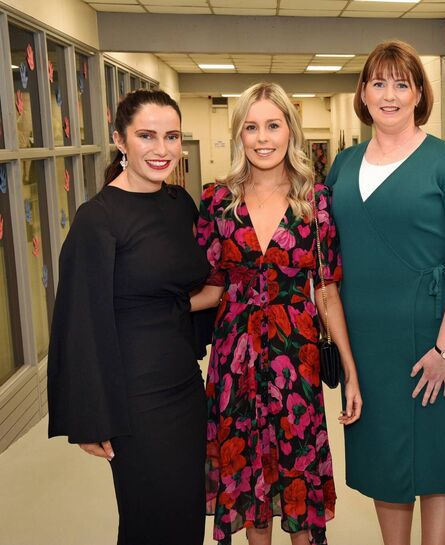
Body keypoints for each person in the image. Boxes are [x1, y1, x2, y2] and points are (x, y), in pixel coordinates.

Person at [325, 40, 445, 545]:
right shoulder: (343, 165)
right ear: (363, 93)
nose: (390, 94)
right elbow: (328, 258)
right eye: (379, 82)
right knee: (384, 459)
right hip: (370, 343)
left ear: (420, 93)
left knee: (439, 457)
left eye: (402, 83)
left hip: (437, 336)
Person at [191, 82, 362, 545]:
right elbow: (211, 287)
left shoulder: (316, 201)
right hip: (234, 361)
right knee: (250, 486)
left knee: (297, 480)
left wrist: (350, 369)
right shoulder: (217, 202)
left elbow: (326, 291)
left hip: (295, 362)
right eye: (251, 127)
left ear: (291, 130)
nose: (263, 138)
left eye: (273, 125)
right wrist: (149, 304)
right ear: (239, 135)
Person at [47, 90, 209, 544]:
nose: (162, 149)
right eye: (147, 136)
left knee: (186, 517)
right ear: (120, 140)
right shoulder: (97, 219)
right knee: (150, 522)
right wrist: (88, 418)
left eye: (172, 136)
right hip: (135, 398)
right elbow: (77, 322)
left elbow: (184, 290)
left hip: (184, 385)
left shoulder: (179, 205)